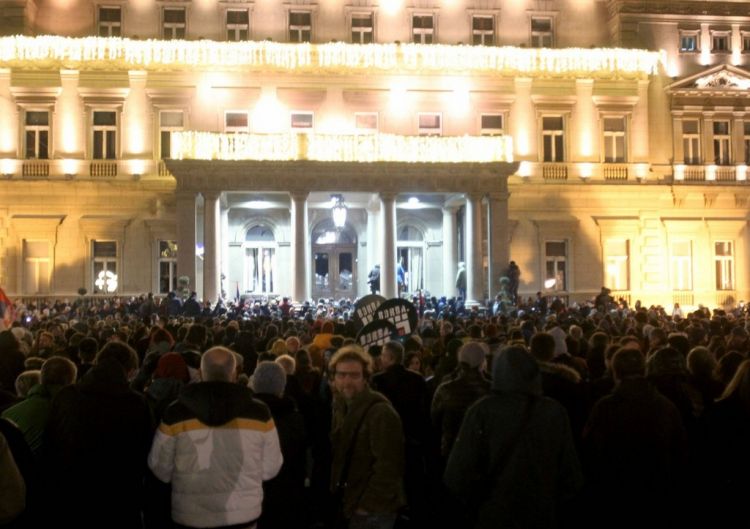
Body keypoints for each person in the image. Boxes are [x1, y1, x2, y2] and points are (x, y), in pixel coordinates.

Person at [444, 346, 583, 529]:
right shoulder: (553, 411)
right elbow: (570, 474)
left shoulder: (482, 411)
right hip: (541, 514)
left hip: (494, 513)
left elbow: (457, 474)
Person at [148, 346, 283, 529]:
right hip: (242, 515)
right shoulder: (259, 413)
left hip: (190, 516)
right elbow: (270, 468)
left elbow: (159, 468)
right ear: (234, 373)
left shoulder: (176, 412)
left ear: (202, 373)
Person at [44, 341, 153, 529]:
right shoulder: (136, 404)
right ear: (129, 370)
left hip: (71, 496)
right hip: (120, 498)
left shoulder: (66, 396)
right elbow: (146, 452)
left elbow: (50, 444)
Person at [329, 345, 405, 529]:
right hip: (352, 503)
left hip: (372, 512)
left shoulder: (380, 412)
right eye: (341, 374)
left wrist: (367, 506)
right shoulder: (341, 405)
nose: (347, 381)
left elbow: (389, 465)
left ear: (365, 378)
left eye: (354, 375)